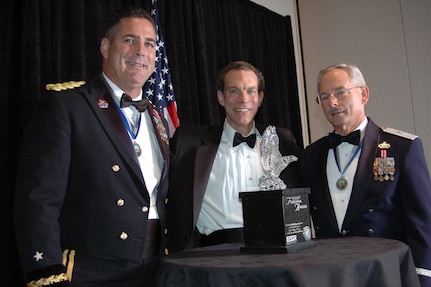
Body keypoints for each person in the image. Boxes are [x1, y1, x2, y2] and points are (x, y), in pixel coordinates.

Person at [14, 7, 170, 287]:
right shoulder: (68, 106)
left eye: (149, 44)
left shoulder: (157, 117)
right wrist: (46, 272)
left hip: (156, 268)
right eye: (129, 40)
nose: (140, 50)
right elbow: (39, 200)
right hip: (92, 271)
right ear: (106, 47)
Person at [300, 63, 431, 286]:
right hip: (330, 277)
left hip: (384, 276)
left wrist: (422, 280)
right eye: (324, 96)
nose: (332, 102)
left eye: (340, 92)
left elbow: (423, 227)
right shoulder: (310, 156)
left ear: (364, 94)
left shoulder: (402, 148)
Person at [165, 61, 301, 253]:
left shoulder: (282, 139)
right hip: (214, 253)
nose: (243, 99)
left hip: (275, 251)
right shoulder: (189, 143)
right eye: (234, 91)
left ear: (260, 98)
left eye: (251, 91)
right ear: (221, 97)